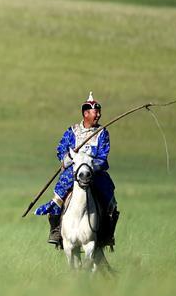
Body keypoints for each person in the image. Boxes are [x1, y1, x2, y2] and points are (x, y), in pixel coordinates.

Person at [35, 93, 118, 247]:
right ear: (86, 114)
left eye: (99, 112)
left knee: (110, 200)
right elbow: (61, 148)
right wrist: (65, 157)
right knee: (58, 196)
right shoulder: (72, 131)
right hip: (73, 171)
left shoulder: (102, 133)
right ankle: (56, 230)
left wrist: (91, 165)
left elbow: (103, 155)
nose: (99, 115)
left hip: (95, 171)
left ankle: (107, 233)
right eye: (96, 112)